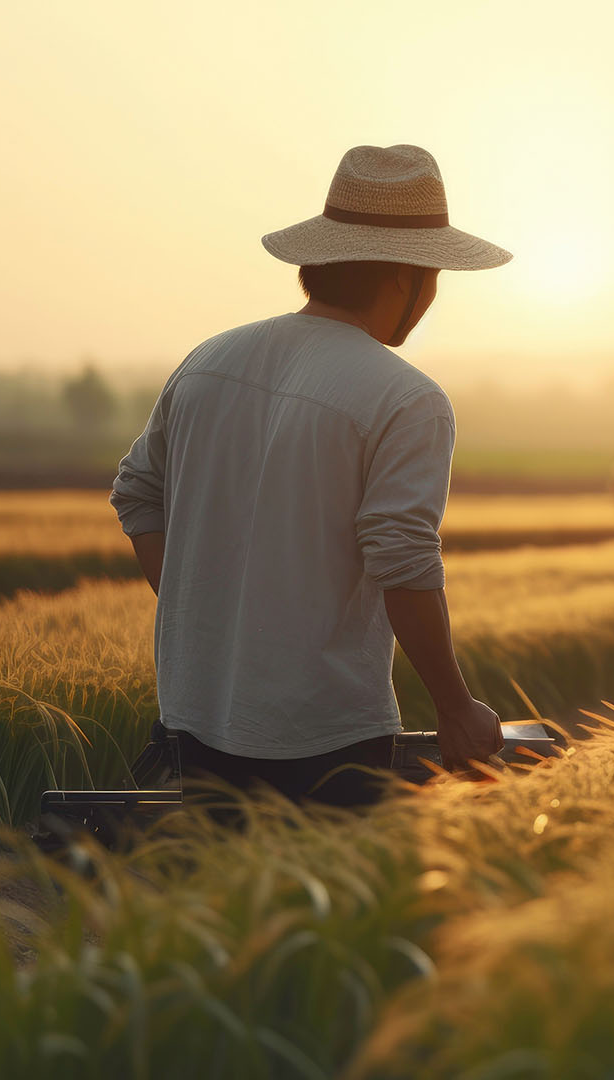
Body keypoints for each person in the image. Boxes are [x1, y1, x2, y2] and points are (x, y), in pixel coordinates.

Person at [109, 144, 510, 808]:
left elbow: (137, 492)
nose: (434, 294)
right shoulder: (406, 399)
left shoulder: (210, 362)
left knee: (227, 903)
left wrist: (209, 620)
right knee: (325, 910)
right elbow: (403, 558)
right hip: (321, 737)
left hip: (196, 713)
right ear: (401, 281)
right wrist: (456, 706)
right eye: (432, 275)